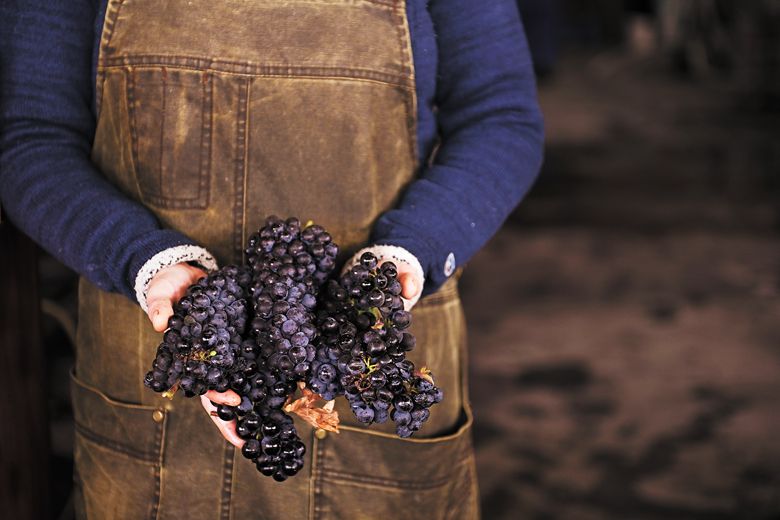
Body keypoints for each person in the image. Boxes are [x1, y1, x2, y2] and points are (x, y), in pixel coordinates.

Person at [0, 0, 543, 518]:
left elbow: (502, 118)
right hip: (160, 367)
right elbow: (32, 139)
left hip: (367, 356)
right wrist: (138, 258)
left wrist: (413, 248)